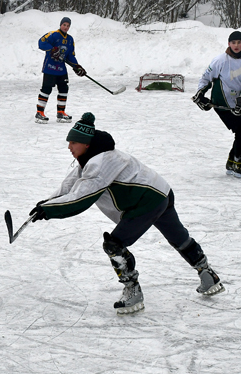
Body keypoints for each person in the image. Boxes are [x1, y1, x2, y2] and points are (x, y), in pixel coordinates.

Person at [28, 112, 224, 314]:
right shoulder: (95, 156)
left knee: (114, 245)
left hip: (147, 202)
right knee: (179, 237)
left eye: (73, 143)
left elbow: (81, 197)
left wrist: (49, 210)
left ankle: (133, 291)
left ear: (86, 144)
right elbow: (71, 185)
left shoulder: (99, 163)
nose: (69, 147)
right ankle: (208, 275)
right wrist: (47, 203)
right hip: (162, 193)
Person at [192, 30, 241, 180]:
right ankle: (238, 164)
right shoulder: (220, 60)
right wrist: (200, 95)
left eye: (239, 42)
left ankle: (232, 162)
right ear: (229, 44)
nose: (236, 45)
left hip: (238, 101)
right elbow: (206, 78)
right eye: (233, 43)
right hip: (221, 100)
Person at [35, 16, 86, 124]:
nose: (66, 27)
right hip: (50, 67)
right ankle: (39, 113)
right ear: (60, 24)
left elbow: (70, 55)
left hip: (61, 69)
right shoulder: (53, 34)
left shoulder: (70, 39)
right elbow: (41, 42)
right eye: (64, 25)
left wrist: (76, 66)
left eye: (68, 26)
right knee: (46, 89)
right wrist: (52, 49)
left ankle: (61, 113)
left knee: (64, 89)